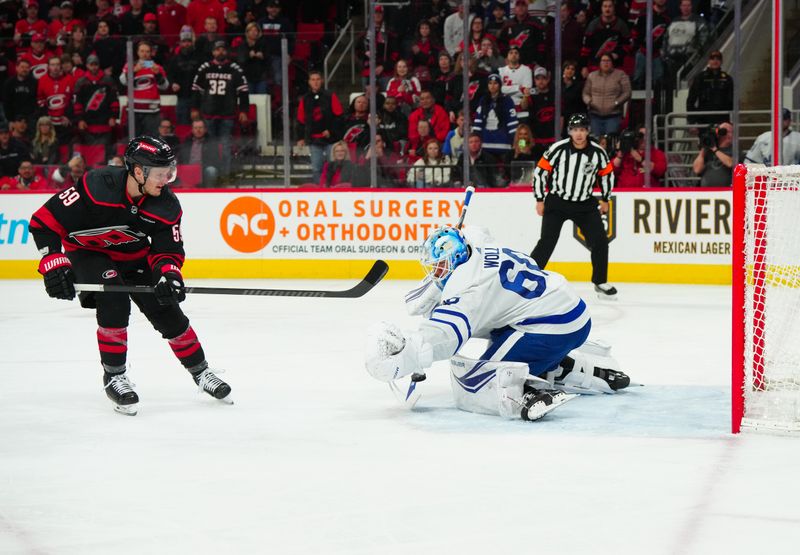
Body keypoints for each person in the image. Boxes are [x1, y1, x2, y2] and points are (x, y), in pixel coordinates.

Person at [28, 136, 232, 416]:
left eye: (169, 172)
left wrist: (168, 276)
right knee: (114, 299)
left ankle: (201, 372)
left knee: (167, 310)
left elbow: (168, 250)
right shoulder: (95, 187)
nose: (166, 180)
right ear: (138, 171)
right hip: (89, 254)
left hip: (134, 258)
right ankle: (114, 376)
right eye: (160, 174)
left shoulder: (167, 205)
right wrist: (53, 260)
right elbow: (43, 222)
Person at [364, 225, 631, 421]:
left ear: (455, 261)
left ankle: (528, 392)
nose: (436, 272)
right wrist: (439, 286)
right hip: (571, 313)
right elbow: (478, 231)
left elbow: (446, 336)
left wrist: (408, 353)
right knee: (499, 330)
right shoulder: (482, 249)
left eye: (440, 266)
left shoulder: (469, 290)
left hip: (549, 326)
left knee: (478, 382)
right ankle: (565, 367)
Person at [530, 113, 618, 298]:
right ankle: (530, 276)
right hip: (557, 201)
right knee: (547, 241)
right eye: (575, 130)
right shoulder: (558, 148)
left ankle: (600, 281)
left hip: (584, 204)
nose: (579, 134)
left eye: (583, 130)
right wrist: (539, 199)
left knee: (600, 241)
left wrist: (605, 198)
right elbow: (540, 172)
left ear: (588, 131)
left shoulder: (597, 152)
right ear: (570, 131)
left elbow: (607, 174)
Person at [191, 40, 250, 179]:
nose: (220, 52)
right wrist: (194, 108)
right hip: (208, 114)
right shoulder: (205, 68)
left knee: (225, 148)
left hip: (227, 115)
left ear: (226, 52)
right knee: (208, 148)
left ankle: (225, 177)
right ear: (213, 52)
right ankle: (209, 175)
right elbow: (196, 89)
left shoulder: (234, 68)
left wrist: (243, 110)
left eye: (223, 49)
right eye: (217, 50)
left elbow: (243, 91)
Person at [296, 70, 344, 184]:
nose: (315, 82)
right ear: (309, 82)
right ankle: (320, 190)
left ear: (321, 81)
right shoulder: (305, 99)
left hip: (331, 140)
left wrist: (331, 130)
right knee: (317, 168)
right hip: (314, 140)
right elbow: (300, 120)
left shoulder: (330, 96)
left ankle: (333, 188)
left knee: (333, 167)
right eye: (313, 80)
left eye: (318, 79)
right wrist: (301, 137)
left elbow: (339, 116)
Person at [120, 41, 169, 137]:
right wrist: (133, 72)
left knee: (151, 140)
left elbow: (165, 86)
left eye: (147, 51)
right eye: (142, 51)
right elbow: (123, 82)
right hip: (134, 110)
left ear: (151, 53)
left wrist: (158, 74)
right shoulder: (129, 66)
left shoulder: (156, 67)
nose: (144, 54)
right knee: (134, 140)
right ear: (137, 53)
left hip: (152, 111)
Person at [73, 54, 119, 152]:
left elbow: (114, 100)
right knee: (91, 151)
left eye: (96, 64)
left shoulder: (108, 80)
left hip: (105, 121)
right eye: (91, 64)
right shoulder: (81, 82)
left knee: (105, 150)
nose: (94, 67)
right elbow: (78, 103)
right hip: (87, 123)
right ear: (87, 65)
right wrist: (80, 120)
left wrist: (113, 117)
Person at [582, 53, 631, 136]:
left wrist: (617, 102)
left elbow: (627, 92)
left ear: (612, 62)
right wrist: (590, 102)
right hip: (595, 115)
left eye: (608, 60)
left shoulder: (620, 75)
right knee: (596, 140)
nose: (606, 63)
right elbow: (585, 93)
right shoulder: (592, 76)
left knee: (610, 141)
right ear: (600, 63)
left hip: (613, 115)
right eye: (603, 61)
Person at [471, 73, 519, 157]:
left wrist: (515, 142)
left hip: (504, 143)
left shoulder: (507, 100)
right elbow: (478, 121)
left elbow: (512, 123)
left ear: (500, 85)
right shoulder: (483, 100)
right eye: (490, 83)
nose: (492, 86)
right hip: (486, 143)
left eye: (495, 83)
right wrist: (477, 138)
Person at [580, 0, 629, 78]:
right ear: (601, 8)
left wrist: (618, 54)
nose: (607, 9)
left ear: (614, 8)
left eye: (610, 6)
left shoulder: (621, 25)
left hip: (615, 66)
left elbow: (627, 45)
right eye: (605, 6)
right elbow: (585, 48)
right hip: (595, 65)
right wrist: (584, 66)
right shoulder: (593, 25)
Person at [686, 50, 733, 126]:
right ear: (708, 61)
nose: (715, 61)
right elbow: (691, 100)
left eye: (718, 59)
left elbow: (731, 101)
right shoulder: (700, 78)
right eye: (712, 58)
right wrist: (692, 121)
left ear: (721, 61)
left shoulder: (727, 79)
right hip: (704, 121)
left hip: (722, 120)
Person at [167, 27, 203, 125]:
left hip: (198, 98)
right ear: (180, 43)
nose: (186, 44)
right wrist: (173, 83)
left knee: (199, 126)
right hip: (182, 97)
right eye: (184, 41)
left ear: (192, 42)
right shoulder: (174, 59)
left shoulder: (199, 57)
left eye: (189, 41)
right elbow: (169, 74)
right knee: (182, 126)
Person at [37, 56, 76, 146]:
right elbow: (40, 100)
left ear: (61, 66)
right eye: (53, 65)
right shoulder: (42, 80)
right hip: (50, 122)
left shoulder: (70, 79)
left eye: (58, 64)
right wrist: (46, 117)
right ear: (48, 67)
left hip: (65, 122)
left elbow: (74, 99)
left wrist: (68, 116)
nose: (55, 67)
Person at [179, 119, 223, 187]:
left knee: (211, 170)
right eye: (195, 128)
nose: (198, 130)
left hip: (204, 169)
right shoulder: (187, 142)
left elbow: (215, 161)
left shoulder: (211, 142)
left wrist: (199, 168)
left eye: (200, 128)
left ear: (205, 129)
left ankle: (209, 193)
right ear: (192, 130)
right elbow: (181, 158)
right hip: (188, 169)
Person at [692, 121, 734, 187]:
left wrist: (715, 149)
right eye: (724, 131)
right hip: (707, 193)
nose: (728, 134)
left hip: (726, 193)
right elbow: (697, 169)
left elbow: (730, 163)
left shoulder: (735, 151)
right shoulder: (708, 151)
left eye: (730, 132)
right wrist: (704, 148)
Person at [499, 45, 532, 122]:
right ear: (507, 56)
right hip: (504, 108)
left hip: (521, 109)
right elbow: (499, 90)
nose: (513, 55)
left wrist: (507, 90)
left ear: (519, 56)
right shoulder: (501, 71)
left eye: (516, 53)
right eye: (511, 53)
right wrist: (518, 88)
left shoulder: (526, 70)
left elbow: (526, 91)